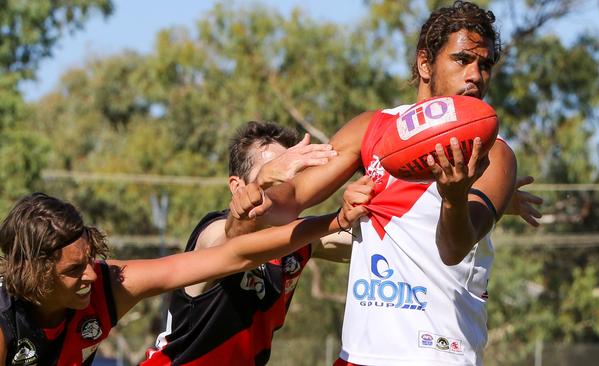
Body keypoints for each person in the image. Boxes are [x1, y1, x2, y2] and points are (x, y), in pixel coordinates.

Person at [226, 1, 531, 365]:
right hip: (357, 355)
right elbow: (292, 197)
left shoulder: (494, 155)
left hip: (437, 356)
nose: (476, 75)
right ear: (424, 64)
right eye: (462, 59)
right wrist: (260, 191)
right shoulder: (373, 128)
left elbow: (453, 249)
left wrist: (453, 197)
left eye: (485, 65)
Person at [0, 181, 370, 365]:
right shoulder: (5, 326)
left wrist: (333, 221)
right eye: (73, 270)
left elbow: (233, 256)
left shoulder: (110, 285)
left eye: (89, 260)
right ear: (35, 272)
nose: (92, 276)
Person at [142, 121, 355, 365]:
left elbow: (370, 237)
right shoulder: (213, 232)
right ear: (237, 186)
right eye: (276, 171)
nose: (286, 184)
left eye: (294, 175)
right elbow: (231, 242)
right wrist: (262, 183)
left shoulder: (299, 240)